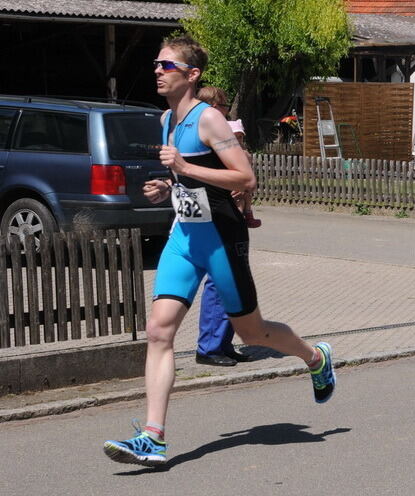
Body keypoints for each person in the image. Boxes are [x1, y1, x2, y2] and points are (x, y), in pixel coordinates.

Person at [103, 35, 336, 467]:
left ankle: (315, 357)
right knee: (159, 331)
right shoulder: (165, 120)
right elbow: (192, 179)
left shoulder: (209, 119)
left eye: (166, 65)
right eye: (156, 63)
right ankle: (153, 436)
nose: (157, 70)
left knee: (252, 333)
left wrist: (184, 168)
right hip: (184, 239)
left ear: (191, 75)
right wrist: (168, 186)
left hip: (221, 240)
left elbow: (244, 178)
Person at [192, 86, 255, 367]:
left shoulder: (209, 134)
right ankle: (210, 347)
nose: (227, 112)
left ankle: (223, 342)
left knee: (231, 282)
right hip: (218, 216)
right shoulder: (204, 136)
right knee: (220, 282)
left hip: (227, 215)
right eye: (223, 106)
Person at [196, 85, 261, 228]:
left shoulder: (189, 128)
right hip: (216, 202)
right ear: (214, 107)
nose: (227, 110)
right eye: (225, 105)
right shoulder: (216, 132)